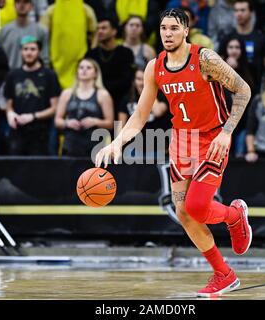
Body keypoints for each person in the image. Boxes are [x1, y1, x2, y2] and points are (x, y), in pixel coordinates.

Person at [96, 8, 252, 297]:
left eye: (173, 28)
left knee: (196, 207)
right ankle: (224, 274)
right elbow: (140, 115)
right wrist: (117, 142)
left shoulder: (205, 59)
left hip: (212, 138)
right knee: (183, 212)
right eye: (164, 28)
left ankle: (234, 216)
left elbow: (243, 91)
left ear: (186, 30)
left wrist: (227, 132)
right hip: (181, 140)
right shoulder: (155, 66)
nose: (167, 34)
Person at [4, 36, 60, 155]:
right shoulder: (13, 75)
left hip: (41, 132)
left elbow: (55, 108)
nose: (29, 52)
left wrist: (33, 116)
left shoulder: (49, 75)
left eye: (33, 49)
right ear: (21, 51)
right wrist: (10, 114)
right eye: (25, 49)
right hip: (17, 131)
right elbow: (9, 104)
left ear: (39, 51)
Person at [54, 58, 114, 157]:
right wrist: (67, 123)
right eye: (81, 67)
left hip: (94, 146)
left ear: (95, 73)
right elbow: (57, 120)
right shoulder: (67, 93)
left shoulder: (103, 94)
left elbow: (110, 123)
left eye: (88, 68)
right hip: (71, 145)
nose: (84, 70)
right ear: (77, 72)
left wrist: (95, 121)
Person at [85, 17, 135, 117]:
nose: (100, 31)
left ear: (114, 32)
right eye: (98, 28)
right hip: (96, 102)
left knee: (118, 131)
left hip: (119, 102)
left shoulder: (125, 53)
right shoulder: (91, 54)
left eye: (104, 28)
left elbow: (127, 80)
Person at [219, 0, 265, 91]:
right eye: (236, 10)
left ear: (251, 12)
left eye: (243, 10)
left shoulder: (262, 38)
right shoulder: (227, 38)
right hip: (231, 89)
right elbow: (218, 65)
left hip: (256, 88)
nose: (239, 14)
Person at [118, 67, 169, 160]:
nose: (142, 82)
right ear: (134, 81)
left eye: (145, 79)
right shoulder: (127, 99)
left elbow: (158, 112)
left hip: (156, 147)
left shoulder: (161, 96)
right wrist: (119, 146)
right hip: (133, 147)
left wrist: (148, 92)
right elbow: (121, 126)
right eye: (139, 79)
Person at [221, 35, 254, 158]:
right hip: (223, 123)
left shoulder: (249, 69)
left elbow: (250, 92)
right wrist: (228, 69)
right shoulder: (217, 70)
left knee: (239, 156)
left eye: (237, 47)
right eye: (230, 47)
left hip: (243, 122)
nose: (234, 50)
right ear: (225, 49)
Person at [0, 0, 49, 69]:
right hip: (9, 76)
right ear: (14, 6)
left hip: (33, 76)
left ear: (31, 7)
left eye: (25, 2)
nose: (21, 5)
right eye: (18, 2)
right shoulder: (3, 31)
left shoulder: (41, 31)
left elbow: (45, 58)